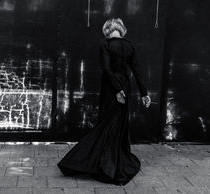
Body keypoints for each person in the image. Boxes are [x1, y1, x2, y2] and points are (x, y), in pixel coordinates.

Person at [57, 18, 151, 185]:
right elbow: (137, 71)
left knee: (106, 125)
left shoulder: (105, 45)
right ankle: (113, 163)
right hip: (124, 87)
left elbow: (107, 70)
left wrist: (117, 90)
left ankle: (90, 163)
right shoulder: (129, 46)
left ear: (107, 30)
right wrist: (144, 93)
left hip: (111, 88)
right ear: (121, 29)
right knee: (117, 125)